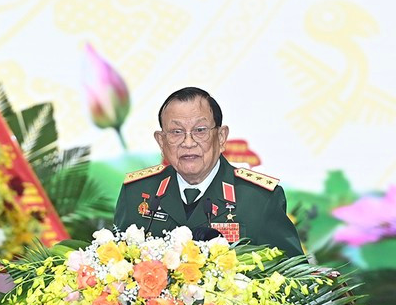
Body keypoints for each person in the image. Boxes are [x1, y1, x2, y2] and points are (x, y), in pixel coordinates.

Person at [114, 87, 303, 257]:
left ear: (221, 137)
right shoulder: (137, 193)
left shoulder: (259, 198)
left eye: (200, 130)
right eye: (176, 132)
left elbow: (295, 274)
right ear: (161, 142)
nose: (188, 143)